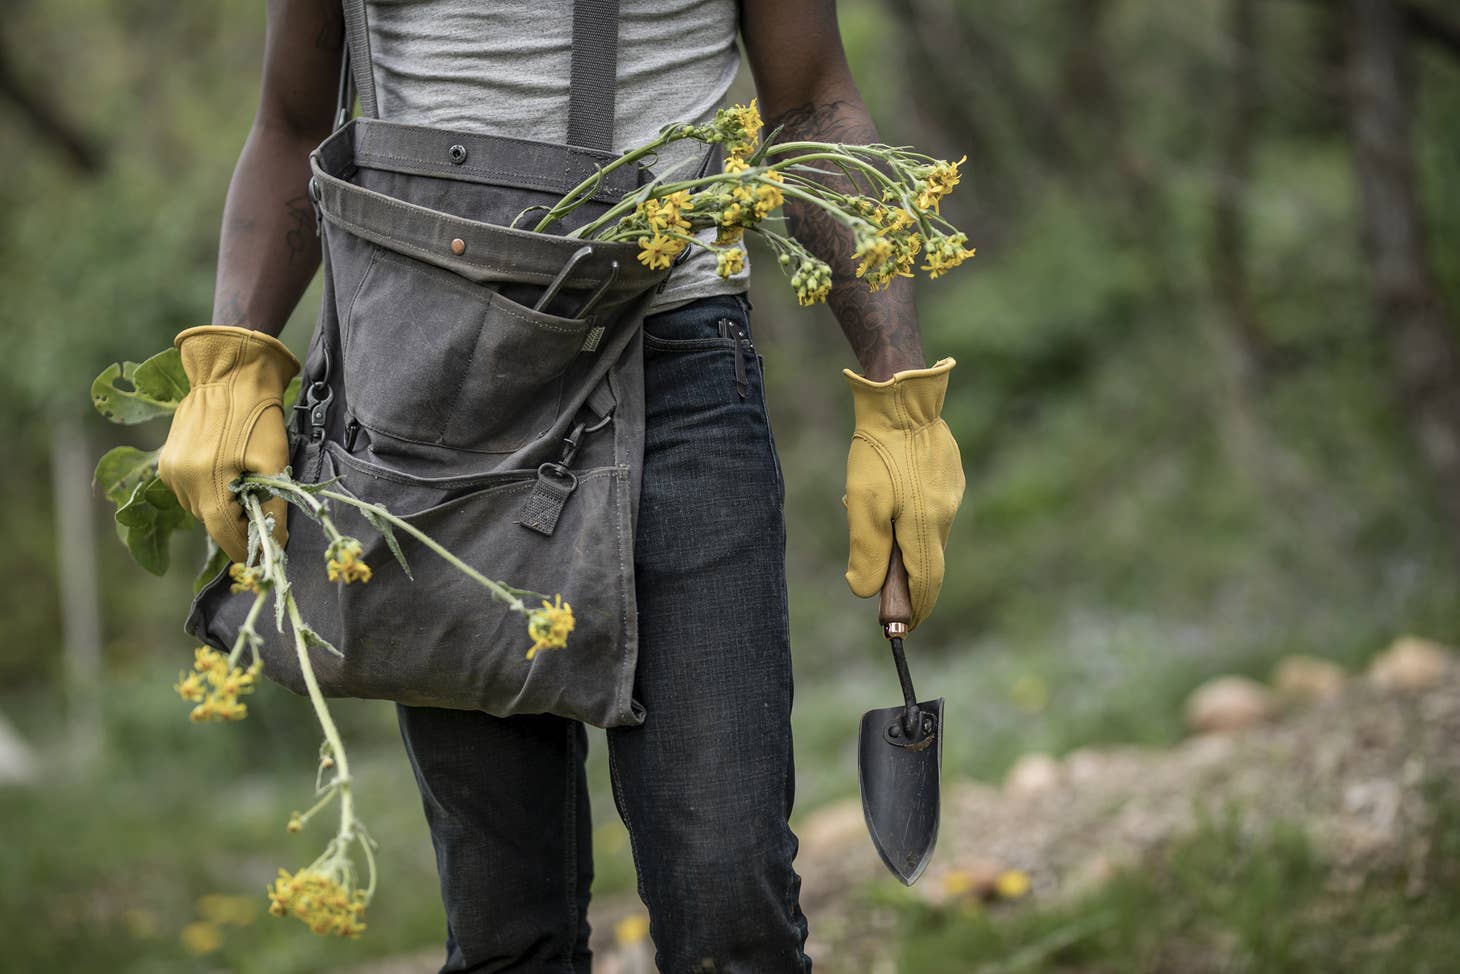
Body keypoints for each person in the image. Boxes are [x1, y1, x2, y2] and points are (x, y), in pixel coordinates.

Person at [159, 1, 964, 970]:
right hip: (429, 384)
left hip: (675, 367)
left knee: (727, 896)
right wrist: (234, 355)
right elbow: (291, 122)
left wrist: (897, 396)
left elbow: (809, 101)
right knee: (507, 926)